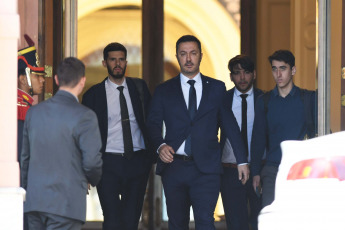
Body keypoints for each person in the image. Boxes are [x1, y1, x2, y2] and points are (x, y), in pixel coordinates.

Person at [146, 35, 249, 230]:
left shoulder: (217, 88)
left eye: (193, 53)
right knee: (177, 224)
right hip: (174, 167)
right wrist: (160, 146)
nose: (188, 59)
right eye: (183, 54)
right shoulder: (164, 90)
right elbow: (152, 124)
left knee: (205, 222)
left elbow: (230, 126)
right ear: (177, 56)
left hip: (207, 169)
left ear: (200, 55)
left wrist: (242, 161)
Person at [20, 57, 103, 230]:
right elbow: (92, 163)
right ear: (82, 81)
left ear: (56, 80)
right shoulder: (85, 116)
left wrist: (29, 190)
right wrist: (89, 179)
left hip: (36, 203)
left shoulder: (34, 113)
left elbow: (25, 159)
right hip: (66, 203)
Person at [82, 42, 153, 230]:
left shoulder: (139, 88)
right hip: (108, 163)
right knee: (112, 220)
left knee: (131, 221)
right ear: (105, 63)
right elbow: (87, 134)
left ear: (126, 62)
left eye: (121, 59)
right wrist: (88, 167)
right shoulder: (93, 95)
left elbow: (152, 122)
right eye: (113, 60)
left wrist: (151, 155)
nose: (118, 64)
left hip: (137, 161)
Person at [251, 50, 316, 208]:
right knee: (271, 220)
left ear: (293, 70)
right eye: (274, 69)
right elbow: (258, 138)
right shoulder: (264, 102)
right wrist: (255, 172)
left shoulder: (308, 99)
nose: (278, 74)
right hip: (273, 169)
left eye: (283, 68)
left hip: (301, 170)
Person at [220, 55, 263, 230]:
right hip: (230, 170)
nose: (242, 78)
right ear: (231, 76)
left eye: (246, 72)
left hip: (259, 169)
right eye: (237, 73)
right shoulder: (222, 100)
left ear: (254, 74)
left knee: (261, 221)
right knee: (235, 223)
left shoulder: (264, 99)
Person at [17, 44, 46, 164]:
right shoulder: (20, 107)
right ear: (23, 79)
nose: (42, 79)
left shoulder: (24, 104)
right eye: (37, 75)